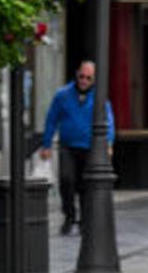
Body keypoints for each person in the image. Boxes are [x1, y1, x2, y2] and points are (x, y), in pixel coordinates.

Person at [40, 61, 115, 236]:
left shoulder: (99, 97)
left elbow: (109, 121)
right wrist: (46, 144)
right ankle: (69, 216)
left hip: (89, 148)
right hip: (68, 146)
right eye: (81, 76)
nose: (84, 81)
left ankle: (84, 220)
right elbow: (51, 120)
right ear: (76, 74)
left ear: (94, 79)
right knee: (66, 180)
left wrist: (109, 143)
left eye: (88, 78)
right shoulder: (62, 95)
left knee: (85, 186)